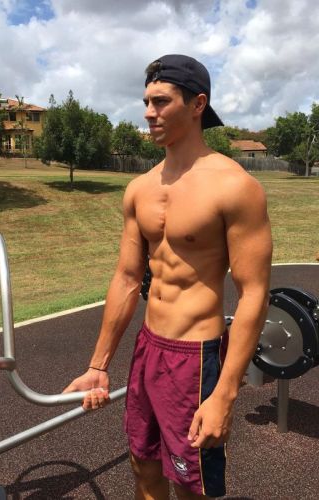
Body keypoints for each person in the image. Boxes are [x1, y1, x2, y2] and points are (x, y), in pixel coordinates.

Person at [63, 54, 272, 499]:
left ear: (198, 104)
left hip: (196, 357)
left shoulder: (234, 186)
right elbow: (126, 277)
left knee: (191, 485)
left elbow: (254, 293)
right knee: (143, 464)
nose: (148, 112)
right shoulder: (140, 188)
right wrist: (98, 365)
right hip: (148, 348)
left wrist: (225, 394)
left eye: (160, 101)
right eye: (146, 102)